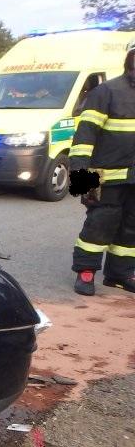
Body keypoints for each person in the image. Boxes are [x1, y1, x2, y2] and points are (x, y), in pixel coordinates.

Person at [70, 41, 135, 296]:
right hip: (105, 177)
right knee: (100, 225)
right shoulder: (106, 92)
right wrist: (82, 180)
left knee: (131, 228)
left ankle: (120, 274)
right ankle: (86, 272)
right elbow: (84, 137)